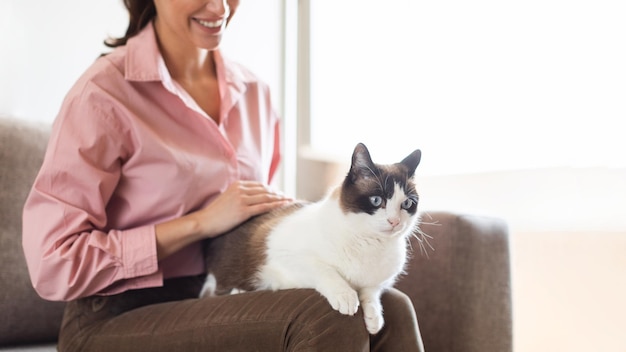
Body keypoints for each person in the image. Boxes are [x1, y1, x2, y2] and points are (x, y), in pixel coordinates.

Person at [22, 0, 425, 351]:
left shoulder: (255, 93)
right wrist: (199, 224)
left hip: (221, 288)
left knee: (394, 308)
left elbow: (265, 213)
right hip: (114, 313)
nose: (219, 8)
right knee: (324, 315)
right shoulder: (102, 95)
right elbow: (52, 264)